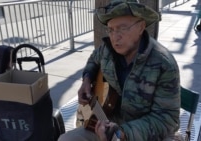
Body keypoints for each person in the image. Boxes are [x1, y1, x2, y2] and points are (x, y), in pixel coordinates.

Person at [58, 0, 181, 140]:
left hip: (147, 135)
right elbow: (94, 59)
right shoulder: (107, 50)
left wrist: (123, 133)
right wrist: (87, 79)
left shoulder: (164, 64)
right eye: (111, 30)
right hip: (108, 124)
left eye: (122, 28)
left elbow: (167, 119)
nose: (115, 37)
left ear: (141, 27)